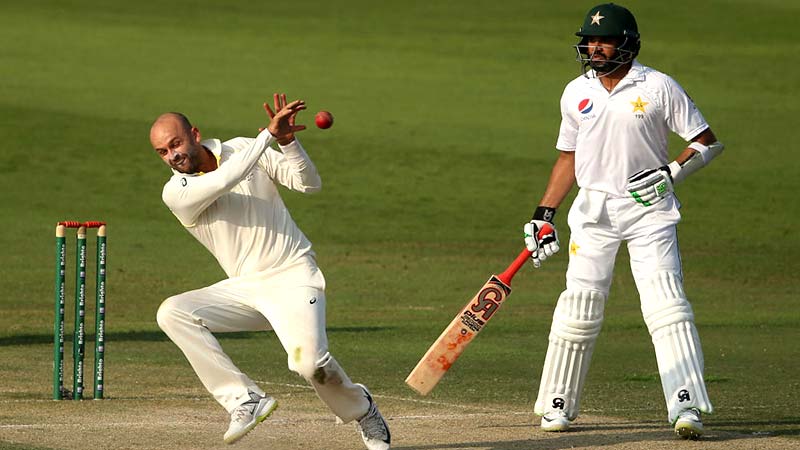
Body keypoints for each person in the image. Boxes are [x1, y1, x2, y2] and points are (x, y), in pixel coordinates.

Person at [522, 3, 723, 440]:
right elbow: (568, 158)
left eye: (604, 40)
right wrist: (543, 214)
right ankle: (557, 405)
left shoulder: (658, 86)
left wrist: (671, 172)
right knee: (579, 307)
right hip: (593, 213)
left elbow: (706, 142)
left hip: (649, 212)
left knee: (666, 306)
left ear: (627, 43)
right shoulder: (576, 91)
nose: (594, 47)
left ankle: (687, 405)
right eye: (590, 40)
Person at [149, 94, 391, 449]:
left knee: (310, 365)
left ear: (195, 134)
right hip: (245, 289)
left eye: (175, 144)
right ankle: (244, 399)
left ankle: (362, 410)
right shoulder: (177, 192)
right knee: (173, 312)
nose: (173, 156)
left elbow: (308, 183)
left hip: (293, 276)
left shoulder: (243, 148)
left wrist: (288, 142)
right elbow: (224, 180)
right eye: (163, 152)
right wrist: (267, 136)